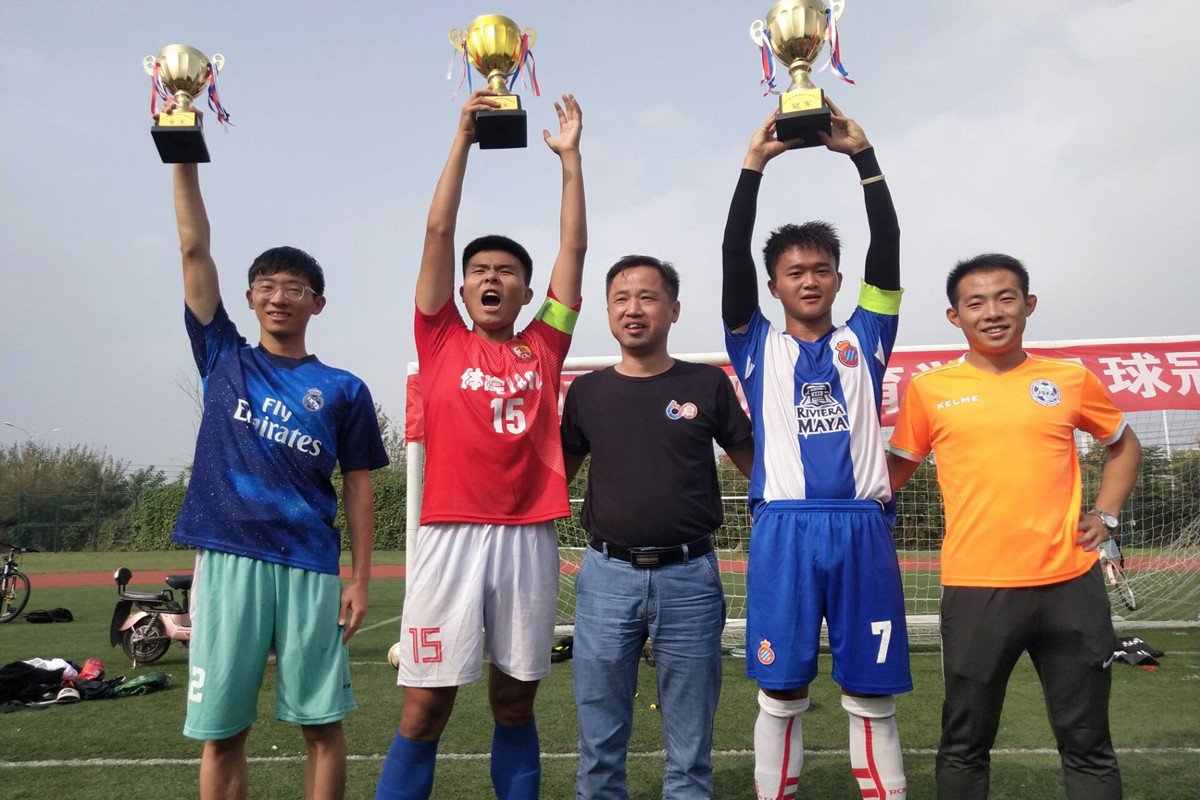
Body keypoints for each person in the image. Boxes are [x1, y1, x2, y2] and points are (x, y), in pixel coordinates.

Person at [374, 88, 585, 800]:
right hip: (448, 537)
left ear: (526, 293)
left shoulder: (545, 346)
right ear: (463, 291)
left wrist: (569, 161)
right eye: (480, 271)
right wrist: (463, 137)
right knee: (424, 709)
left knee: (514, 703)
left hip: (527, 537)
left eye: (507, 272)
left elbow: (574, 250)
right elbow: (438, 232)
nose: (492, 277)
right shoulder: (439, 339)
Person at [169, 159, 389, 800]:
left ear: (317, 303)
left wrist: (361, 577)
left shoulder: (344, 389)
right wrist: (183, 155)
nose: (279, 296)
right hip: (229, 559)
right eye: (266, 285)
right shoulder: (223, 356)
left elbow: (359, 487)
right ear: (248, 298)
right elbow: (193, 249)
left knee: (322, 726)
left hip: (310, 565)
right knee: (222, 732)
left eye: (295, 287)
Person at [887, 254, 1142, 800]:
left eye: (1005, 298)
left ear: (1028, 305)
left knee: (1088, 742)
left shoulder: (1070, 379)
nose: (992, 312)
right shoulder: (930, 389)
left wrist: (1107, 514)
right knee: (965, 743)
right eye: (975, 302)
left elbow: (1123, 446)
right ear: (955, 316)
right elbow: (893, 472)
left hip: (1070, 585)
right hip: (977, 590)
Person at [721, 103, 911, 800]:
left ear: (837, 279)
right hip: (785, 530)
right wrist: (754, 165)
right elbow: (731, 253)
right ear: (773, 284)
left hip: (862, 529)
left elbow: (888, 241)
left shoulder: (868, 337)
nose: (809, 279)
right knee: (781, 691)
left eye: (822, 269)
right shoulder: (754, 344)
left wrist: (863, 158)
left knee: (872, 693)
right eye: (794, 271)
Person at [560, 256, 755, 800]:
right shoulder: (587, 392)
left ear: (673, 309)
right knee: (599, 744)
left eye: (647, 297)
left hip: (690, 578)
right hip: (605, 578)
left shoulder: (707, 384)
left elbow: (761, 470)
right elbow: (556, 476)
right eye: (621, 298)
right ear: (607, 311)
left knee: (690, 751)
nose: (633, 308)